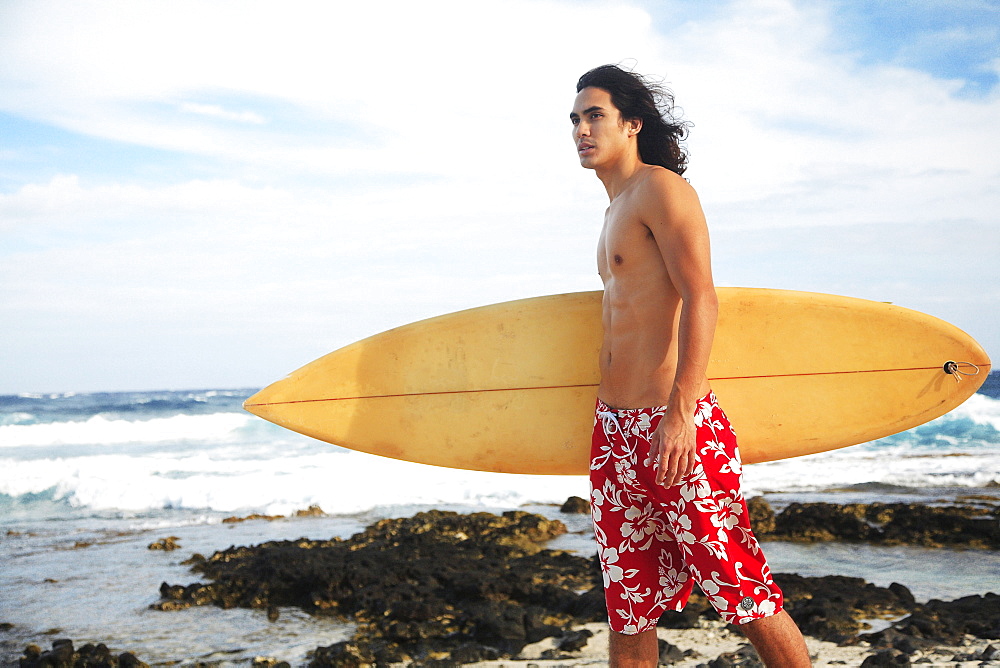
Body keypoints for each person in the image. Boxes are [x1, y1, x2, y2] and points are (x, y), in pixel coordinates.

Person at [571, 64, 812, 667]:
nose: (581, 129)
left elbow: (701, 296)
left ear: (632, 123)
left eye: (594, 115)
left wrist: (681, 412)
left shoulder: (662, 190)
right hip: (616, 432)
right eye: (575, 119)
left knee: (741, 591)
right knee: (628, 609)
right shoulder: (613, 209)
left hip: (672, 426)